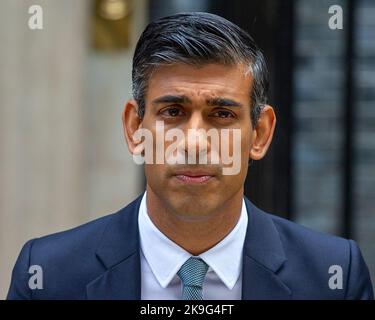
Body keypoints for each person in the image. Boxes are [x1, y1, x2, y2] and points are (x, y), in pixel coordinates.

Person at [7, 12, 373, 300]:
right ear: (136, 128)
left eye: (222, 114)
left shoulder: (332, 277)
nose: (195, 141)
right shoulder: (47, 274)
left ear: (260, 133)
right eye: (173, 112)